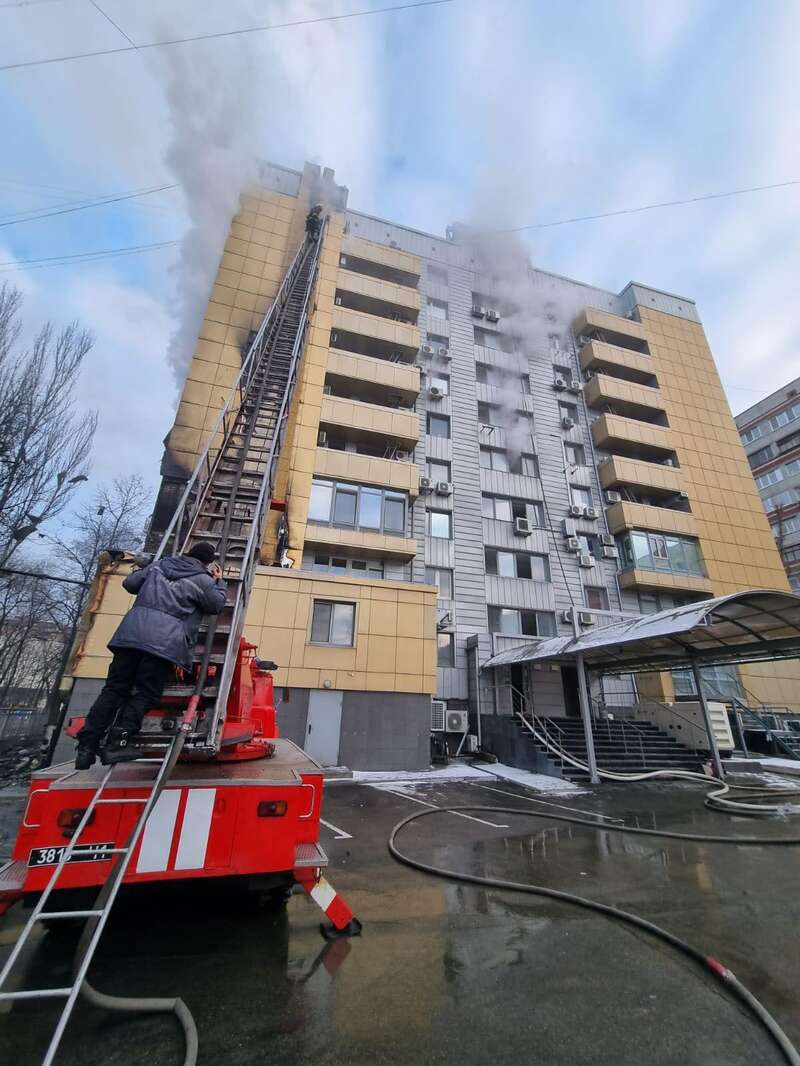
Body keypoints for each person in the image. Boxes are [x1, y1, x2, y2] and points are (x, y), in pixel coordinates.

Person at [74, 541, 227, 769]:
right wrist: (220, 582)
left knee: (114, 689)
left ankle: (86, 747)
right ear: (207, 562)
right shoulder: (203, 580)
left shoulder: (160, 566)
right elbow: (216, 604)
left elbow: (130, 583)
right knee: (146, 691)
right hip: (163, 643)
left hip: (130, 636)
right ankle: (119, 740)